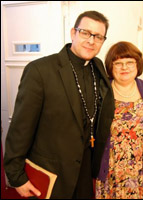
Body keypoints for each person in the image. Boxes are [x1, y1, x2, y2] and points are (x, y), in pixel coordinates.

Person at [3, 11, 115, 199]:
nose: (91, 41)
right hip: (51, 173)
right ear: (73, 33)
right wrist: (16, 176)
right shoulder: (40, 70)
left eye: (98, 36)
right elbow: (20, 127)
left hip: (85, 172)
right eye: (85, 33)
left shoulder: (98, 67)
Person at [95, 41, 143, 199]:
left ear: (138, 65)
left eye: (130, 62)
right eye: (118, 63)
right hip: (110, 166)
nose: (124, 67)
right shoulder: (101, 91)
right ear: (111, 66)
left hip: (140, 167)